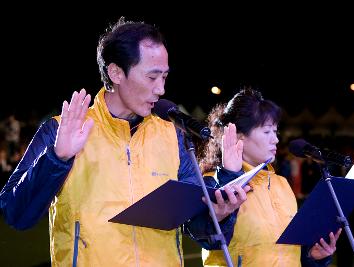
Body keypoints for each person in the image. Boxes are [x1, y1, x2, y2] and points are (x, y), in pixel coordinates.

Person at [0, 17, 248, 266]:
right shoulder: (61, 130)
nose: (161, 89)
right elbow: (16, 214)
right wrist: (57, 158)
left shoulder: (173, 136)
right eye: (152, 77)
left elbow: (198, 228)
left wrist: (218, 214)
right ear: (116, 72)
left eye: (164, 77)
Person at [197, 88, 342, 266]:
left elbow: (288, 252)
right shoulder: (212, 182)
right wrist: (230, 175)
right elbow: (206, 237)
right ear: (239, 136)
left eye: (276, 131)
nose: (276, 140)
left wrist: (311, 256)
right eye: (267, 132)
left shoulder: (281, 184)